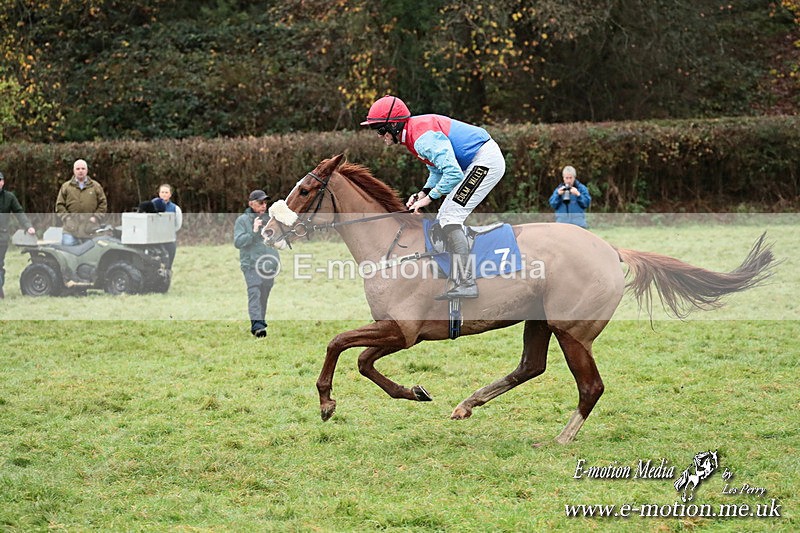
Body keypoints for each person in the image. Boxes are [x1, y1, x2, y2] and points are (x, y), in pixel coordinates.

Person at [360, 95, 505, 300]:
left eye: (380, 130)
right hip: (476, 160)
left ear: (393, 125)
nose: (378, 135)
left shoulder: (421, 138)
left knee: (449, 217)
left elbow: (453, 173)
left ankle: (466, 282)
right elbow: (437, 171)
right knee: (446, 215)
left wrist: (429, 199)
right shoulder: (412, 134)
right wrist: (423, 193)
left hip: (485, 160)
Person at [234, 190, 280, 338]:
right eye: (260, 203)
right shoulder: (242, 220)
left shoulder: (271, 220)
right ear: (251, 203)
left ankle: (260, 322)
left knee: (263, 295)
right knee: (254, 292)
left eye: (265, 203)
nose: (263, 206)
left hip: (268, 265)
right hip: (251, 264)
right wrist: (254, 231)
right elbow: (238, 242)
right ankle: (258, 326)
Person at [0, 171, 36, 299]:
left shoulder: (9, 197)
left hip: (1, 238)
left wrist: (28, 227)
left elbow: (19, 212)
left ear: (2, 182)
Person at [55, 159, 108, 245]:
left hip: (90, 229)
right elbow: (59, 205)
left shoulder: (96, 186)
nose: (80, 171)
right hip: (70, 229)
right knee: (68, 253)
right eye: (78, 169)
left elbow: (103, 203)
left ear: (87, 170)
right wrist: (67, 218)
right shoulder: (66, 187)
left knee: (90, 254)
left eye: (83, 169)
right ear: (74, 171)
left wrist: (96, 217)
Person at [152, 183, 182, 269]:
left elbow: (178, 225)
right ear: (159, 193)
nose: (164, 194)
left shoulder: (175, 208)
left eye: (166, 192)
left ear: (170, 194)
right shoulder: (152, 206)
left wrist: (168, 232)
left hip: (169, 241)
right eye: (162, 192)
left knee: (168, 265)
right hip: (155, 241)